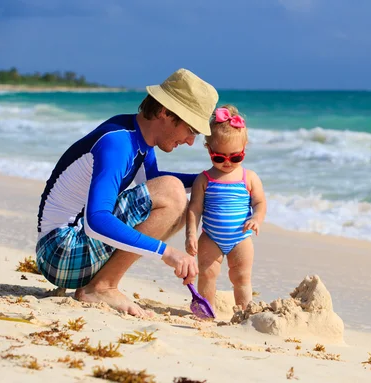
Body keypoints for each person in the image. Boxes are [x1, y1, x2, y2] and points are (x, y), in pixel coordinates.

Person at [35, 68, 219, 317]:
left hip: (69, 250)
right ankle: (102, 287)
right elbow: (96, 220)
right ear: (165, 112)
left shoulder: (138, 136)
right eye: (191, 130)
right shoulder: (118, 143)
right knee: (173, 193)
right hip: (60, 251)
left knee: (178, 201)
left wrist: (211, 181)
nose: (189, 141)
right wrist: (168, 253)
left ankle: (101, 284)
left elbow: (154, 184)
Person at [185, 105, 267, 309]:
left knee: (241, 277)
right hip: (211, 237)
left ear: (244, 148)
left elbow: (260, 202)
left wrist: (256, 218)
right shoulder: (204, 179)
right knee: (207, 273)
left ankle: (244, 312)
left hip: (241, 237)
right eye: (219, 157)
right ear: (209, 150)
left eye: (236, 157)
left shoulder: (249, 178)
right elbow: (195, 208)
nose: (228, 162)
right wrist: (191, 234)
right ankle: (206, 310)